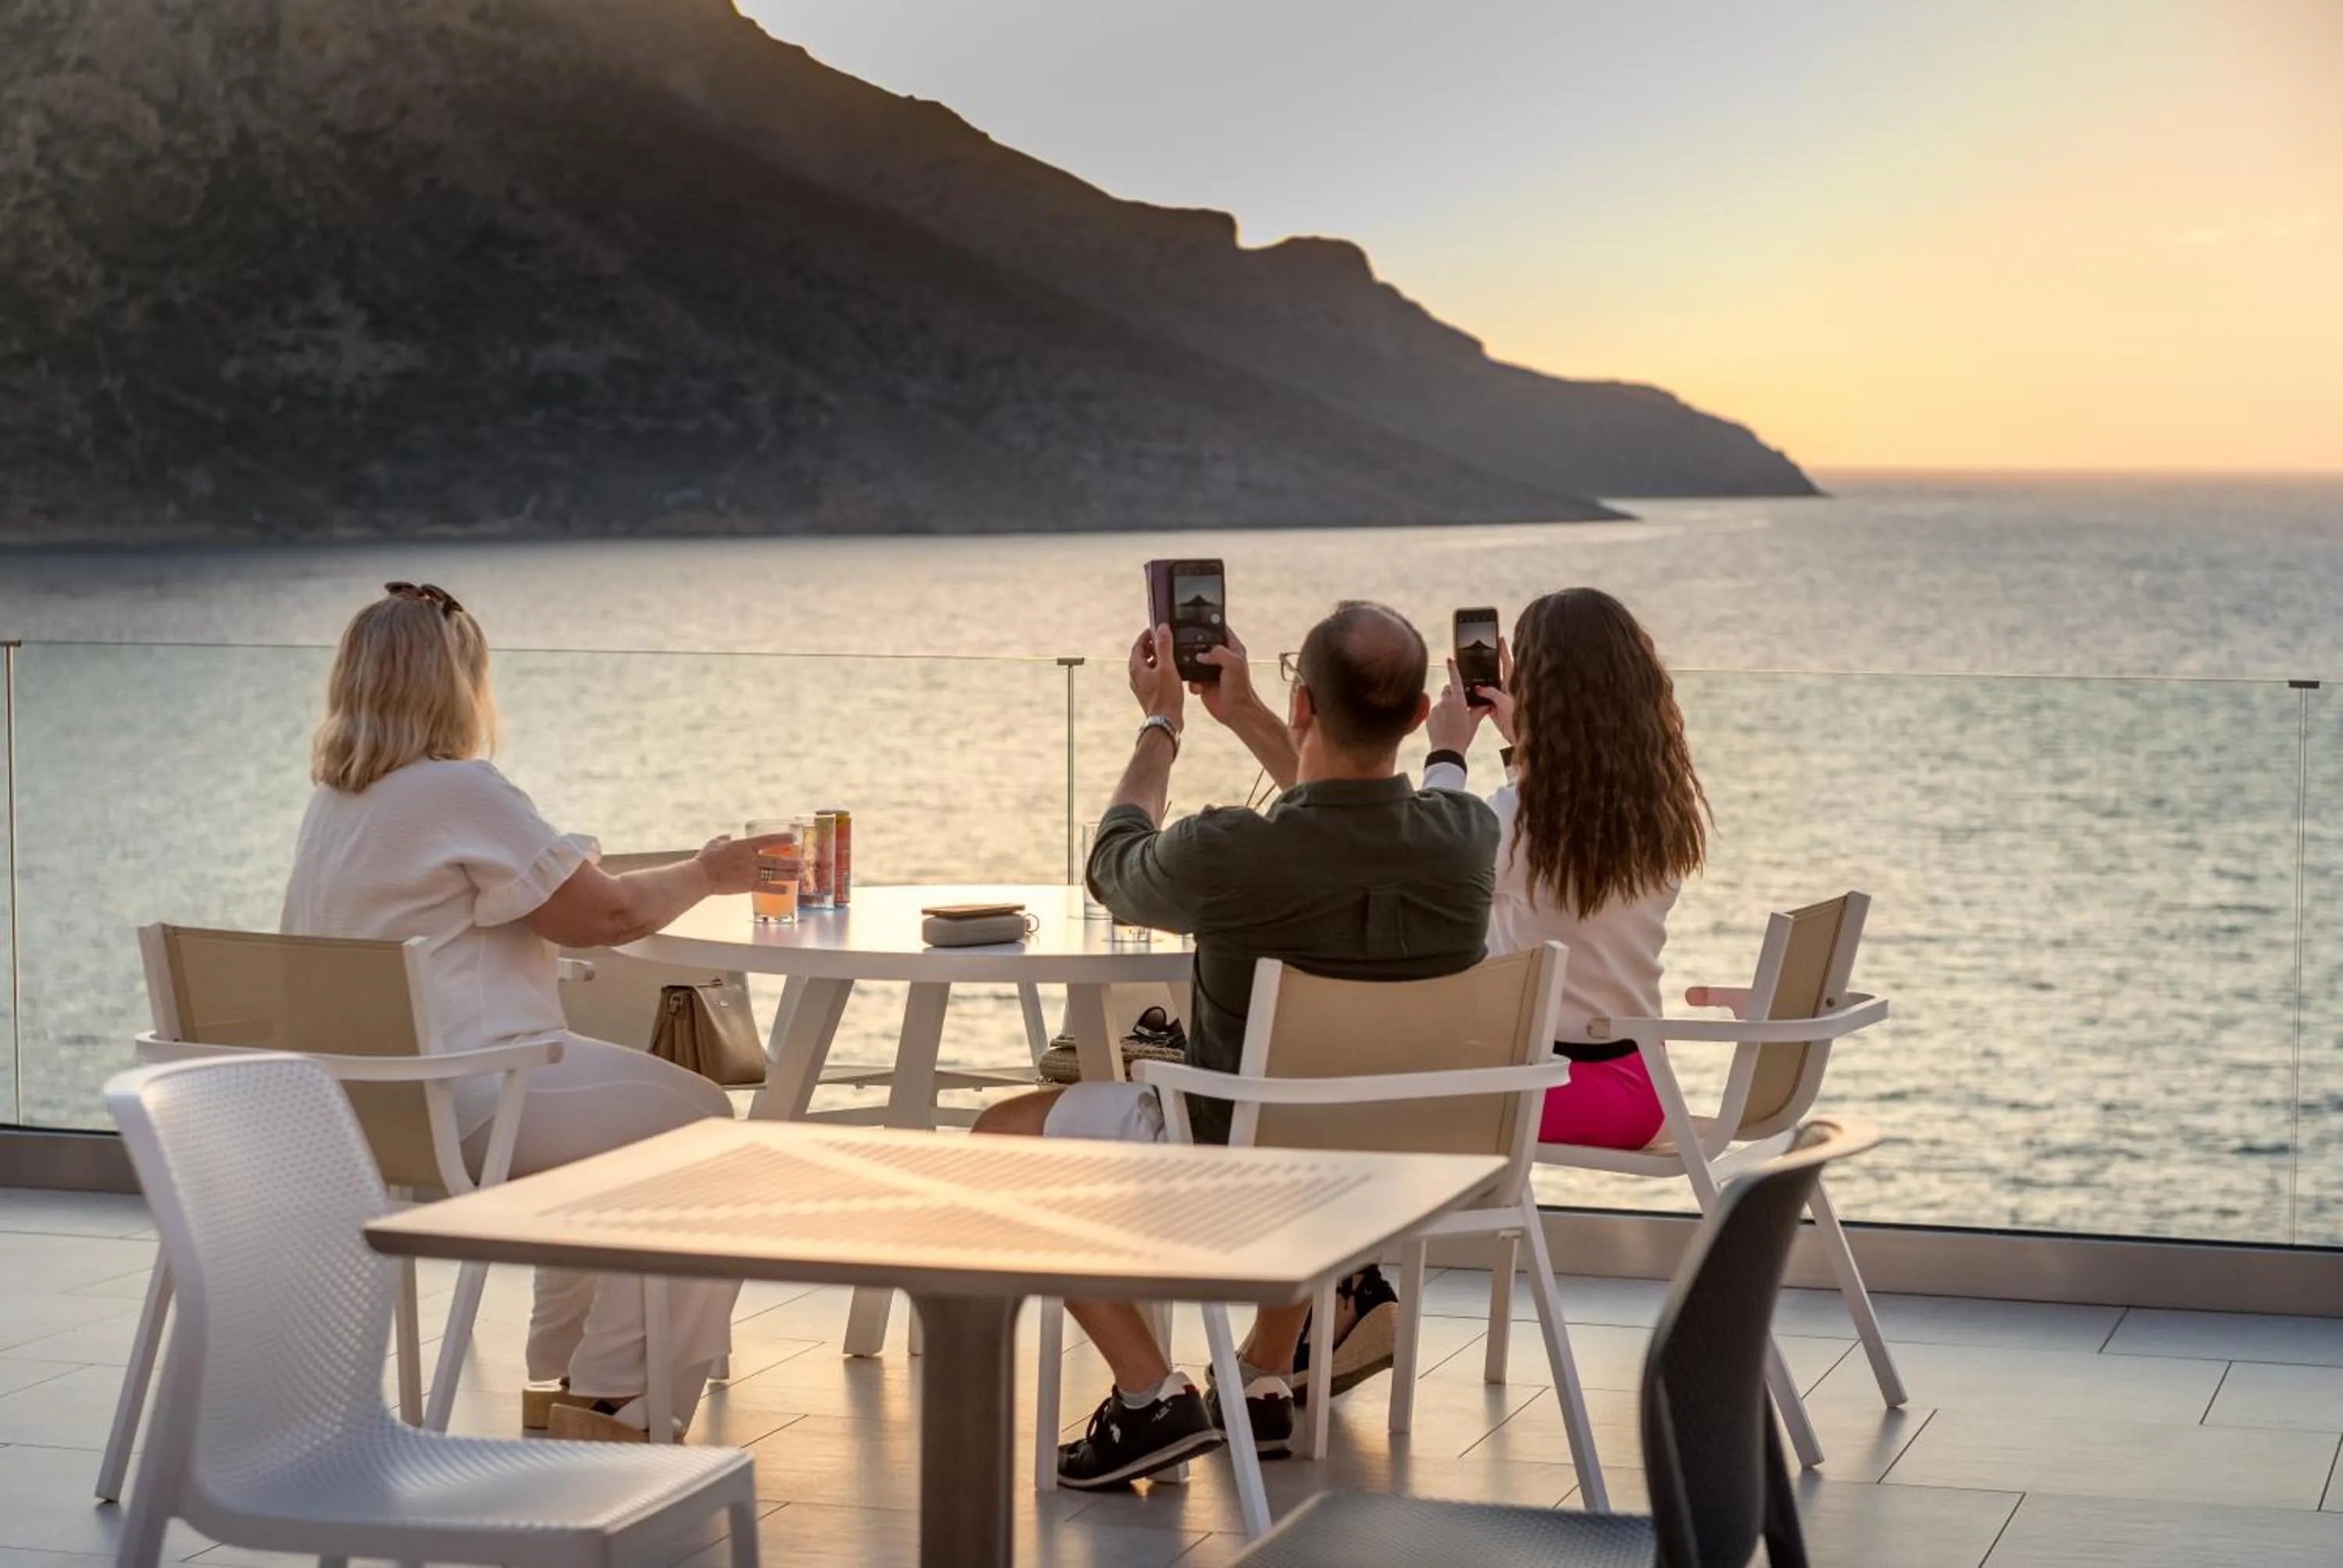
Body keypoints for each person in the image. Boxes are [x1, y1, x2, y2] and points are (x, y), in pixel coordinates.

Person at [972, 602, 1496, 1489]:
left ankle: (1148, 1395)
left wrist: (1162, 726)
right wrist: (1245, 711)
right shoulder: (1467, 838)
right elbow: (1347, 820)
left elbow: (1114, 865)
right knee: (1300, 1114)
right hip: (1394, 1169)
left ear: (1303, 705)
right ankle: (1259, 1377)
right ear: (1418, 717)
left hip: (1237, 1168)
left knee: (998, 1141)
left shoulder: (1231, 852)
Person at [280, 582, 783, 1441]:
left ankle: (567, 1378)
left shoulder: (335, 806)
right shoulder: (457, 790)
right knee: (711, 1136)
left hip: (362, 1109)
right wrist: (710, 872)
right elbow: (606, 916)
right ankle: (618, 1404)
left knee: (619, 1140)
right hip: (473, 1095)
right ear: (457, 684)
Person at [1421, 586, 1710, 1151]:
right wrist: (1523, 751)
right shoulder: (1658, 810)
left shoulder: (1520, 821)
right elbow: (1553, 832)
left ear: (1535, 693)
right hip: (1644, 1089)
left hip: (1545, 1090)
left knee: (1370, 1074)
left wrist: (1447, 753)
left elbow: (1430, 866)